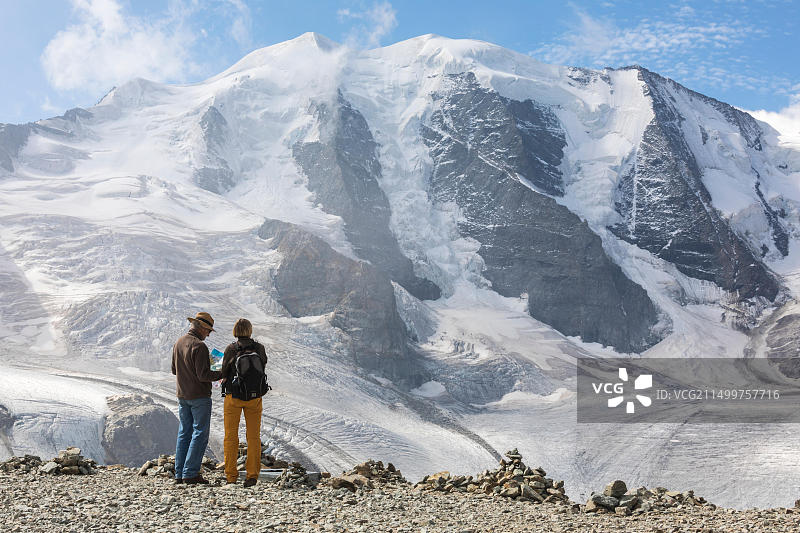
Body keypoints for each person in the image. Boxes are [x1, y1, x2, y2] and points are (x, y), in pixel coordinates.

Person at [171, 311, 223, 485]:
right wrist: (223, 373)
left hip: (182, 395)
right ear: (201, 328)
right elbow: (203, 375)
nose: (208, 334)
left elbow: (174, 369)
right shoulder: (199, 346)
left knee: (184, 433)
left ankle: (179, 473)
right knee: (200, 433)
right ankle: (191, 473)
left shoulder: (178, 342)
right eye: (208, 331)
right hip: (199, 396)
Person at [221, 318, 267, 487]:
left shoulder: (231, 349)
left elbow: (223, 370)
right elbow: (263, 365)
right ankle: (252, 476)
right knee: (253, 436)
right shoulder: (259, 348)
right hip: (254, 397)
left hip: (234, 397)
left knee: (230, 436)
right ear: (250, 330)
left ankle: (231, 476)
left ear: (235, 331)